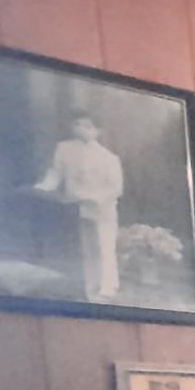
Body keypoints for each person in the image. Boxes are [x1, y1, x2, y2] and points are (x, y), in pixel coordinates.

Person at [35, 113, 124, 301]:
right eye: (77, 124)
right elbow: (56, 173)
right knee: (84, 248)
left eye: (88, 126)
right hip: (75, 206)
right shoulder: (64, 149)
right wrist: (45, 186)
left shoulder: (108, 157)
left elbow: (116, 188)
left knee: (104, 247)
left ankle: (108, 285)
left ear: (98, 131)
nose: (81, 129)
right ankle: (88, 284)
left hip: (102, 209)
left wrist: (97, 199)